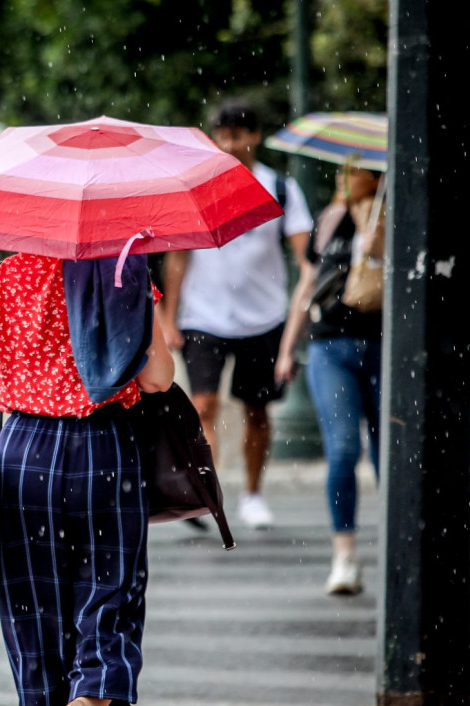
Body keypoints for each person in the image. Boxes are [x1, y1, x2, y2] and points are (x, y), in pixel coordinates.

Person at [0, 252, 174, 706]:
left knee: (31, 612)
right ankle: (86, 701)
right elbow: (158, 378)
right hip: (103, 447)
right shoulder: (123, 272)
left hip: (22, 452)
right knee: (111, 592)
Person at [159, 103, 312, 531]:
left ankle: (253, 493)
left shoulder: (280, 188)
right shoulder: (198, 186)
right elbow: (178, 257)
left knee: (257, 411)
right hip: (203, 314)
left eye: (237, 135)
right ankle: (209, 492)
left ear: (254, 136)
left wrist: (302, 301)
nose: (229, 144)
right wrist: (169, 318)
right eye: (222, 136)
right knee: (203, 403)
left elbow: (304, 254)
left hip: (262, 316)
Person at [275, 164, 385, 596]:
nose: (344, 177)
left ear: (377, 178)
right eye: (342, 170)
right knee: (342, 448)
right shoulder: (329, 218)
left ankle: (397, 548)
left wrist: (383, 251)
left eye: (354, 171)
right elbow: (308, 284)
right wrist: (287, 348)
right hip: (329, 346)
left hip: (382, 345)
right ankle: (345, 555)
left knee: (387, 454)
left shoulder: (392, 216)